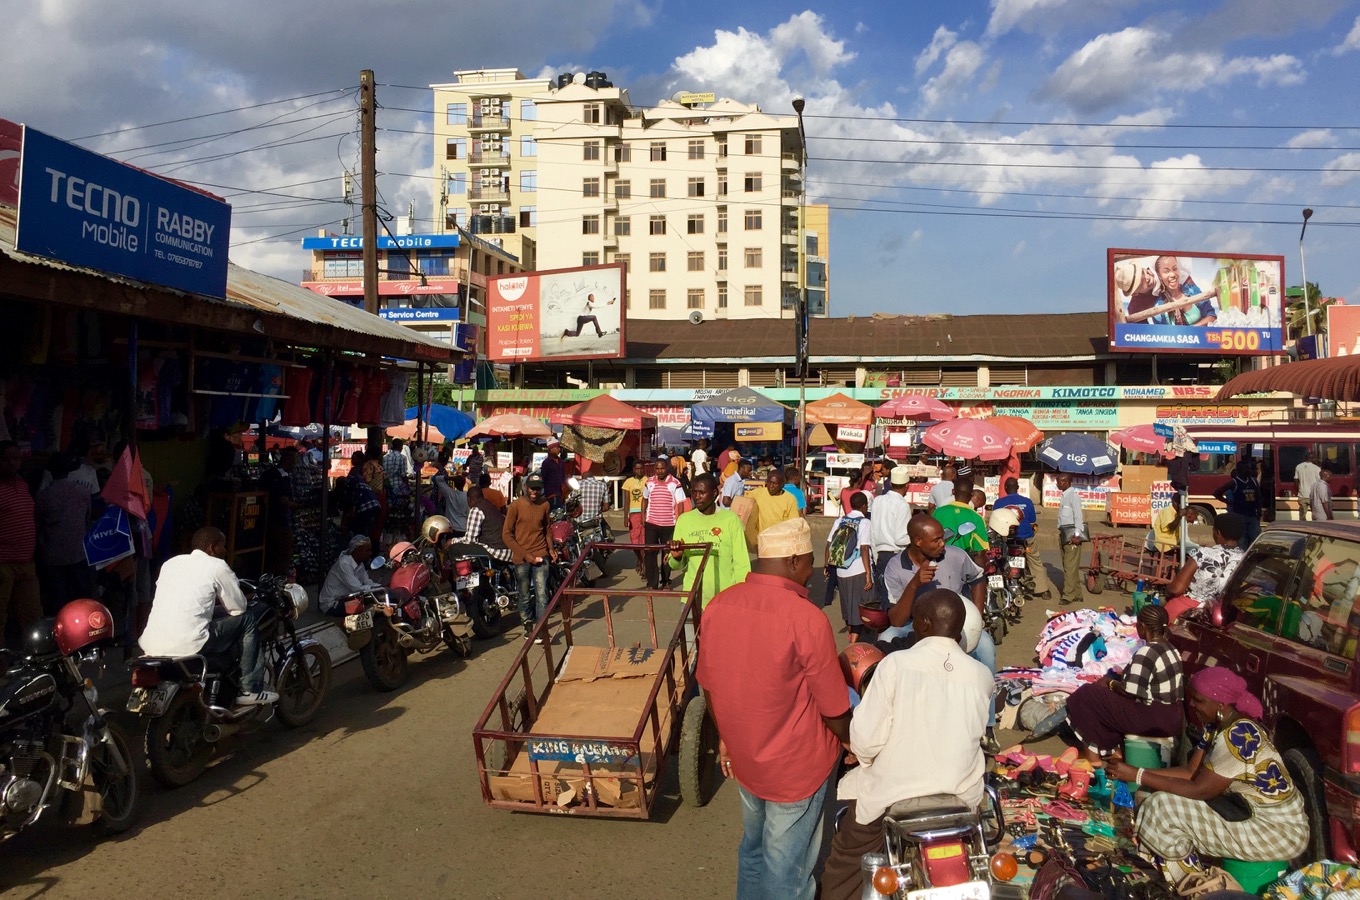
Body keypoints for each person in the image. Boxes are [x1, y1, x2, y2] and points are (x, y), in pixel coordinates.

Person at [696, 518, 851, 900]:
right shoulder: (807, 618)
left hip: (747, 758)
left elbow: (710, 686)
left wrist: (728, 741)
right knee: (788, 869)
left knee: (754, 848)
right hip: (796, 767)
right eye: (811, 562)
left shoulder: (719, 606)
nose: (813, 572)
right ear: (796, 561)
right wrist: (857, 743)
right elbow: (834, 709)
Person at [820, 589, 993, 900]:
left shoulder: (895, 664)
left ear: (924, 623)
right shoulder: (981, 675)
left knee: (843, 868)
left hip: (894, 795)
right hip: (960, 799)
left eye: (915, 621)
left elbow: (867, 741)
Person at [1105, 667, 1309, 883]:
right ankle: (1177, 867)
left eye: (1199, 701)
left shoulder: (1238, 737)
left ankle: (1190, 883)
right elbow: (1190, 772)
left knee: (1161, 808)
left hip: (1278, 832)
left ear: (1220, 704)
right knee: (1152, 794)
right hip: (1251, 813)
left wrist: (1138, 775)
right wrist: (1137, 774)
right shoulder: (1216, 727)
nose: (1192, 705)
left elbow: (1199, 789)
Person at [138, 527, 278, 706]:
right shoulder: (217, 566)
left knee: (213, 614)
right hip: (188, 642)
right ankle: (250, 689)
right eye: (223, 546)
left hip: (151, 642)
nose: (225, 551)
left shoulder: (170, 563)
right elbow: (238, 608)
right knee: (248, 619)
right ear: (212, 548)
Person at [1062, 604, 1185, 763]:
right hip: (1173, 717)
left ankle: (1093, 757)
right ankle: (1112, 751)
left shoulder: (1147, 652)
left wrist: (1109, 683)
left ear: (1141, 627)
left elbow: (1130, 691)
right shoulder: (1171, 649)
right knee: (1105, 699)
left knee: (1087, 695)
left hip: (1154, 718)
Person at [667, 474, 751, 606]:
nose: (697, 497)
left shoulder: (731, 520)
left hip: (725, 598)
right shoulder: (684, 520)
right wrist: (677, 557)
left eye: (702, 493)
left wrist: (742, 593)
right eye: (694, 492)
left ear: (715, 493)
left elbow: (742, 562)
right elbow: (676, 564)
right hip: (692, 597)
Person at [34, 452, 95, 614]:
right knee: (82, 599)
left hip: (52, 555)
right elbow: (87, 519)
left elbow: (38, 523)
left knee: (58, 600)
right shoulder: (82, 492)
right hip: (78, 553)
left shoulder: (42, 496)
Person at [1164, 513, 1247, 623]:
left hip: (1191, 609)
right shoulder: (1246, 559)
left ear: (1217, 532)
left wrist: (1167, 592)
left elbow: (1176, 589)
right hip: (1228, 614)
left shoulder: (1203, 554)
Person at [503, 475, 556, 637]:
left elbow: (547, 529)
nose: (535, 491)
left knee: (542, 594)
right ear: (526, 487)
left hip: (541, 553)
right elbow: (506, 535)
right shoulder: (515, 506)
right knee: (524, 594)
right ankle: (527, 623)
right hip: (521, 557)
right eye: (532, 488)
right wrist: (525, 555)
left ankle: (540, 629)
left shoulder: (545, 505)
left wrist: (551, 549)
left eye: (538, 488)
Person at [0, 440, 41, 647]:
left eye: (16, 458)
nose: (12, 463)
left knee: (33, 615)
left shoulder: (23, 485)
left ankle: (34, 658)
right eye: (6, 459)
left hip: (26, 562)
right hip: (3, 563)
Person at [827, 492, 874, 641]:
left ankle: (850, 636)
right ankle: (853, 643)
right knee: (860, 606)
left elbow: (829, 543)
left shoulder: (840, 520)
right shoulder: (865, 522)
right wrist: (868, 573)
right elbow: (865, 548)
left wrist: (827, 565)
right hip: (857, 569)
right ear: (864, 506)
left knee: (847, 606)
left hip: (841, 570)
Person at [993, 477, 1050, 596]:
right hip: (1026, 538)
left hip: (1006, 539)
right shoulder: (1028, 502)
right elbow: (1032, 520)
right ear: (1018, 488)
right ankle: (1043, 590)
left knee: (998, 560)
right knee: (1035, 561)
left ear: (1005, 488)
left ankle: (999, 588)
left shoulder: (999, 503)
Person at [869, 467, 913, 604]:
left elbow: (873, 531)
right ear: (907, 486)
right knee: (896, 600)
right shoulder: (902, 505)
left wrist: (876, 557)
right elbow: (900, 538)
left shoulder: (878, 500)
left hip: (881, 555)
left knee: (883, 598)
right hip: (896, 556)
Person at [642, 459, 684, 590]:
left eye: (662, 468)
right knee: (650, 553)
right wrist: (643, 516)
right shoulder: (649, 482)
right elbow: (644, 499)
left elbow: (680, 503)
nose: (660, 471)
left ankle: (666, 581)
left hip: (669, 524)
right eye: (657, 469)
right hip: (652, 523)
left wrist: (680, 521)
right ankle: (652, 583)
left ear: (667, 468)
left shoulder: (675, 483)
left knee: (667, 554)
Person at [319, 535, 383, 617]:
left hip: (345, 598)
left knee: (376, 600)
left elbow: (367, 581)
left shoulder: (360, 563)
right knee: (371, 606)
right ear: (357, 551)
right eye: (367, 550)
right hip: (332, 604)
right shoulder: (344, 564)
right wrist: (377, 589)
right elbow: (356, 588)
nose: (370, 553)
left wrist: (380, 587)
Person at [260, 446, 298, 576]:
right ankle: (278, 580)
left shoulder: (277, 473)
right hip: (279, 521)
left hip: (271, 520)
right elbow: (283, 499)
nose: (296, 462)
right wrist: (295, 505)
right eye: (294, 458)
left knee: (275, 553)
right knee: (282, 553)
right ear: (288, 458)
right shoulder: (281, 475)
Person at [933, 478, 989, 560]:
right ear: (972, 494)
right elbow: (980, 553)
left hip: (939, 562)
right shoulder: (977, 518)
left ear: (953, 492)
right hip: (963, 564)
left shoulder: (938, 512)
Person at [1214, 457, 1263, 547]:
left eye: (1248, 468)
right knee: (1242, 541)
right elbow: (1216, 493)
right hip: (1239, 515)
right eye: (1246, 468)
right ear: (1240, 470)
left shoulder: (1253, 481)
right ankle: (1242, 558)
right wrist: (1228, 502)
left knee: (1256, 539)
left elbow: (1259, 497)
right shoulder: (1234, 482)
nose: (1248, 470)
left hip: (1252, 515)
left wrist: (1259, 511)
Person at [746, 469, 799, 549]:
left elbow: (793, 523)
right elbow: (743, 504)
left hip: (780, 543)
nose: (771, 486)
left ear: (782, 485)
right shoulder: (757, 493)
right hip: (763, 542)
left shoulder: (790, 499)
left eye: (774, 483)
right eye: (769, 482)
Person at [1057, 473, 1086, 605]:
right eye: (1058, 481)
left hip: (1072, 536)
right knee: (1070, 566)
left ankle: (1068, 595)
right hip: (1063, 534)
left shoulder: (1073, 497)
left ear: (1068, 482)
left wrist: (1077, 535)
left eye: (1061, 481)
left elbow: (1078, 517)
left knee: (1069, 566)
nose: (1058, 483)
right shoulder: (1064, 496)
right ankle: (1077, 594)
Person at [464, 486, 512, 563]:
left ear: (469, 500)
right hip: (508, 552)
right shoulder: (491, 506)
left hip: (495, 552)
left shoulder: (476, 510)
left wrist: (453, 541)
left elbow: (470, 540)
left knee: (455, 549)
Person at [621, 459, 647, 576]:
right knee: (634, 542)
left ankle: (645, 567)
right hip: (633, 514)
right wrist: (625, 517)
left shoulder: (648, 480)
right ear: (633, 470)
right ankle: (639, 558)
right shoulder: (628, 482)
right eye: (637, 469)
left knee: (644, 541)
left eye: (641, 468)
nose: (639, 471)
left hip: (646, 513)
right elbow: (626, 501)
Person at [1294, 453, 1321, 520]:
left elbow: (1296, 480)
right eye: (1315, 458)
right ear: (1312, 458)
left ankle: (1302, 527)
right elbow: (1319, 482)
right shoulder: (1317, 468)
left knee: (1302, 515)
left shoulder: (1298, 466)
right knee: (1315, 513)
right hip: (1313, 495)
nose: (1316, 459)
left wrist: (1298, 490)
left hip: (1302, 494)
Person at [540, 440, 566, 509]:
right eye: (557, 448)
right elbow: (544, 477)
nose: (559, 449)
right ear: (551, 449)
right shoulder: (546, 462)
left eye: (559, 447)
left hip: (560, 492)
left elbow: (563, 476)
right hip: (551, 493)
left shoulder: (561, 461)